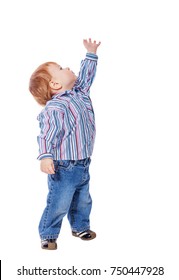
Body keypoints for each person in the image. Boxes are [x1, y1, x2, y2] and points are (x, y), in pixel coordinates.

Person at [29, 38, 101, 250]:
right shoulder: (55, 108)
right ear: (55, 84)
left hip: (83, 161)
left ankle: (80, 227)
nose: (67, 67)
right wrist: (46, 157)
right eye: (61, 68)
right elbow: (46, 135)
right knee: (59, 202)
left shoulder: (79, 93)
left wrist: (91, 54)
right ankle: (48, 234)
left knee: (83, 199)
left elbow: (87, 76)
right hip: (64, 166)